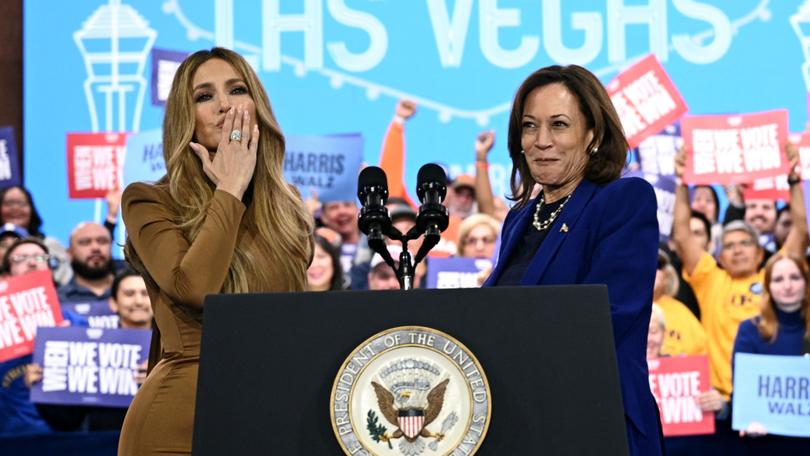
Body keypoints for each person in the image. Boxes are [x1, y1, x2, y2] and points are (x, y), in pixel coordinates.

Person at [119, 47, 312, 455]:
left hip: (272, 411)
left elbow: (297, 321)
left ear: (257, 106)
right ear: (184, 119)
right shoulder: (148, 200)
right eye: (204, 96)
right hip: (181, 421)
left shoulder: (288, 206)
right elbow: (194, 288)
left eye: (237, 90)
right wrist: (230, 189)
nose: (224, 106)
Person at [482, 64, 663, 454]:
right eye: (530, 126)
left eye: (559, 125)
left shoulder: (622, 200)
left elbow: (606, 315)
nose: (541, 141)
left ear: (593, 135)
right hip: (525, 423)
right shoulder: (519, 219)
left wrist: (505, 340)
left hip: (595, 421)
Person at [0, 238, 87, 437]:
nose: (32, 262)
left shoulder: (77, 324)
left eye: (40, 257)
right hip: (7, 439)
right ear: (5, 276)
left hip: (65, 438)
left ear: (50, 269)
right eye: (21, 258)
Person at [730, 253, 810, 452]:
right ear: (768, 287)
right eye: (778, 279)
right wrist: (749, 418)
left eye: (795, 278)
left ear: (806, 283)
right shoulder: (749, 330)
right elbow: (743, 389)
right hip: (767, 443)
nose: (787, 286)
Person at [653, 250, 707, 357]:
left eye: (658, 265)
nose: (650, 269)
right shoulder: (619, 310)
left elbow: (702, 357)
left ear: (667, 275)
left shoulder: (682, 314)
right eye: (644, 263)